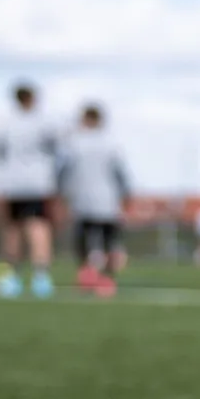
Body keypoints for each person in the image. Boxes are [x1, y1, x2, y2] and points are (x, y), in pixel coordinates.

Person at [0, 81, 59, 298]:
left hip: (13, 184)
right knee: (38, 228)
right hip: (37, 184)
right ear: (33, 99)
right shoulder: (45, 123)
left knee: (13, 229)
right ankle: (41, 278)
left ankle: (12, 279)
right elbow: (57, 150)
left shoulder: (4, 123)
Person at [57, 103, 131, 295]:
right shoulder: (111, 143)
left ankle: (87, 275)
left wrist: (60, 192)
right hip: (106, 200)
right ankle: (105, 279)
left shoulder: (74, 143)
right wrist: (126, 195)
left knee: (84, 240)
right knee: (108, 241)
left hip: (84, 199)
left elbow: (63, 171)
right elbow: (121, 173)